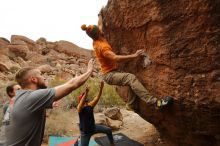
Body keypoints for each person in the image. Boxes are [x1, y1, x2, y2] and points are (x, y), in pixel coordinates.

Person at [81, 14, 173, 110]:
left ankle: (131, 105)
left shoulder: (96, 36)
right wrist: (135, 55)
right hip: (109, 75)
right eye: (99, 30)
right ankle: (156, 103)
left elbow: (99, 25)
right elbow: (115, 58)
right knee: (130, 78)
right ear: (98, 33)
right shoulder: (101, 47)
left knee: (129, 81)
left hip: (113, 71)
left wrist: (100, 15)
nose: (101, 29)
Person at [6, 59, 95, 146]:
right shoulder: (32, 97)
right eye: (41, 75)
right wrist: (89, 71)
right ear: (33, 79)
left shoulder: (20, 97)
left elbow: (67, 84)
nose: (44, 77)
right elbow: (71, 86)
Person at [77, 81, 115, 146]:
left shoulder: (90, 105)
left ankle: (112, 144)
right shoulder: (79, 108)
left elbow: (97, 98)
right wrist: (86, 93)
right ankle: (77, 142)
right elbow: (81, 103)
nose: (85, 100)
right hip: (85, 133)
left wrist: (101, 89)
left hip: (94, 128)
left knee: (108, 130)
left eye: (85, 99)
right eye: (84, 99)